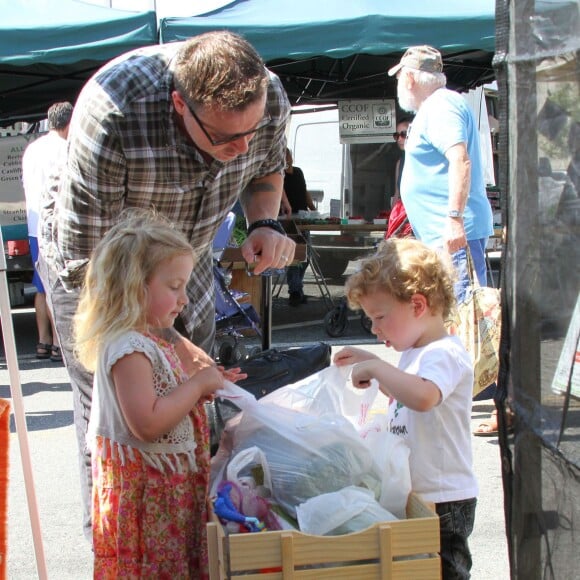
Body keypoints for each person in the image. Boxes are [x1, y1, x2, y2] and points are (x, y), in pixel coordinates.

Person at [38, 30, 295, 540]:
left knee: (191, 412)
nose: (241, 146)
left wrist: (265, 222)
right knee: (119, 420)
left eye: (251, 130)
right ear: (180, 104)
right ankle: (117, 545)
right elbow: (97, 269)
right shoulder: (116, 113)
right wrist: (174, 345)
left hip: (185, 257)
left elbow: (267, 164)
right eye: (225, 138)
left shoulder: (269, 97)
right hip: (99, 272)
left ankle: (189, 537)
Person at [73, 210, 246, 578]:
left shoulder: (150, 341)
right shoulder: (129, 348)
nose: (184, 299)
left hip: (167, 497)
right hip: (148, 503)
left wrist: (202, 387)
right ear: (135, 286)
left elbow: (167, 399)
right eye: (174, 287)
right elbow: (148, 423)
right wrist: (197, 385)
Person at [333, 237, 478, 580]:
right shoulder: (417, 352)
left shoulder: (444, 353)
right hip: (422, 496)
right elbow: (405, 390)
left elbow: (424, 397)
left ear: (417, 305)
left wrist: (377, 369)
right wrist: (369, 360)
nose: (374, 328)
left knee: (445, 573)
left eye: (380, 317)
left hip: (445, 500)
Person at [388, 45, 494, 302]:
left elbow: (460, 160)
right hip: (446, 233)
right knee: (455, 314)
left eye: (401, 77)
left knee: (464, 314)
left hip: (453, 235)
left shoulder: (440, 106)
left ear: (410, 78)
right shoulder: (438, 105)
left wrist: (455, 220)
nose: (400, 83)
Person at [21, 101, 72, 362]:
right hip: (58, 227)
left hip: (33, 226)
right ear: (69, 123)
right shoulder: (66, 149)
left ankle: (43, 341)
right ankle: (61, 345)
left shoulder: (31, 149)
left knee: (42, 287)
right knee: (60, 286)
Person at [280, 147, 316, 306]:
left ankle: (297, 289)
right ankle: (295, 291)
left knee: (307, 255)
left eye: (289, 155)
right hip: (288, 219)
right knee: (295, 255)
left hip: (303, 217)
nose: (288, 159)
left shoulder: (298, 172)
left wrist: (312, 208)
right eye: (285, 156)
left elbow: (305, 190)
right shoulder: (279, 176)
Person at [386, 117, 414, 239]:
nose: (399, 139)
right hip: (403, 214)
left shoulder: (421, 159)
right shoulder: (400, 162)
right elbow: (397, 193)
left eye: (403, 134)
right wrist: (392, 220)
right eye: (396, 135)